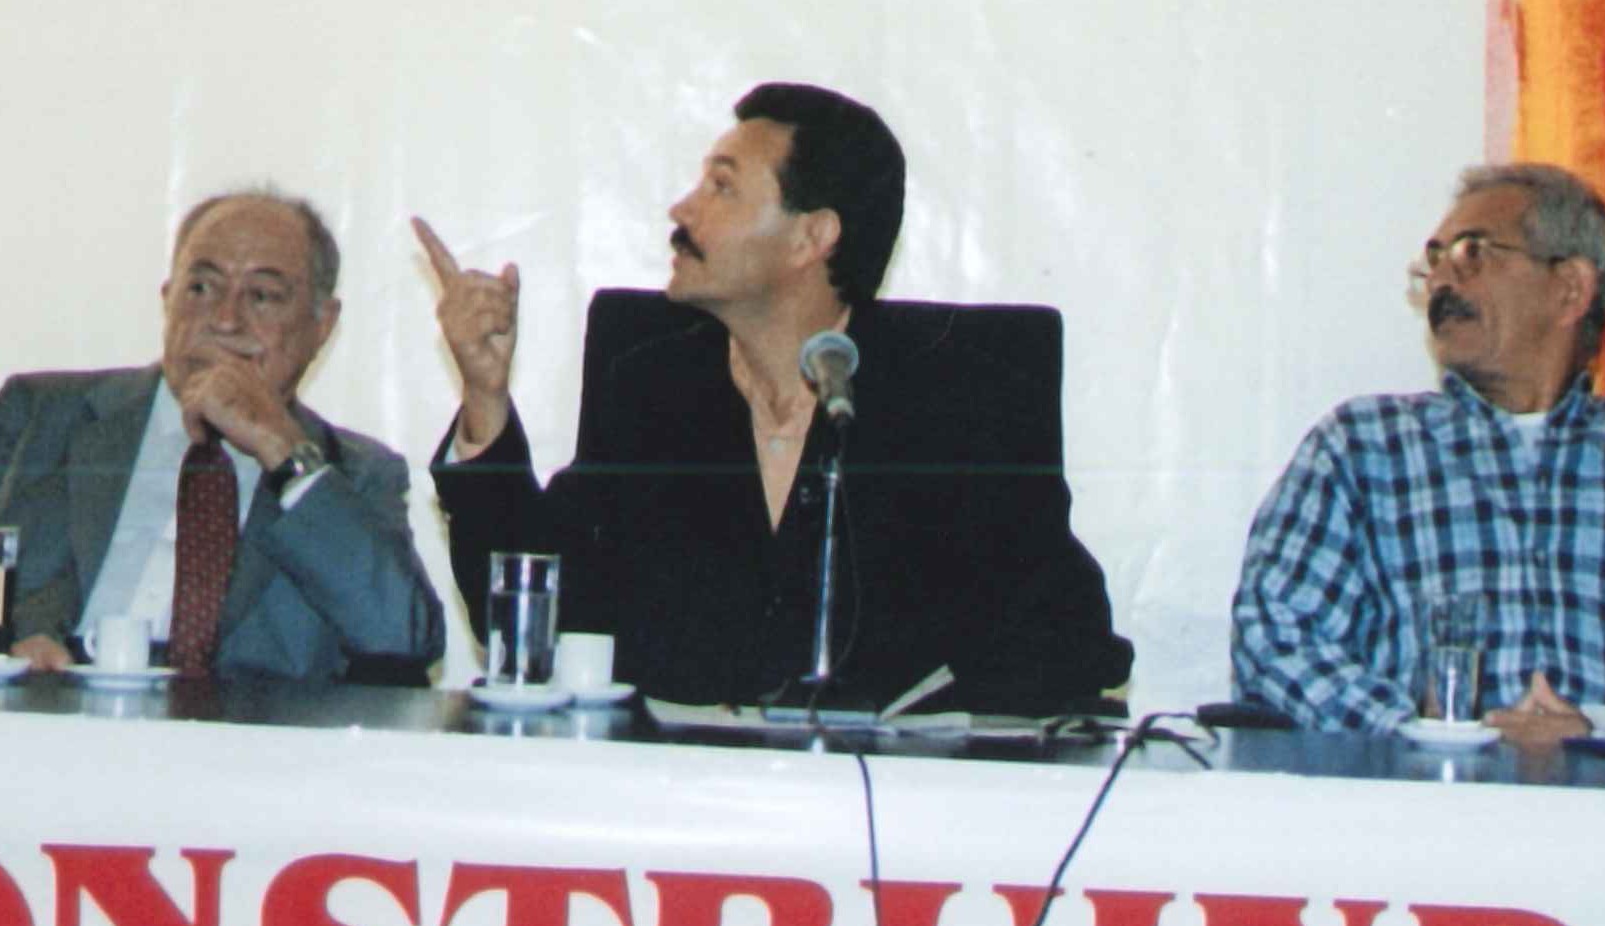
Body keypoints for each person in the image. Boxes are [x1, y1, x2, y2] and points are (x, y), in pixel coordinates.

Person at [417, 83, 1125, 711]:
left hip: (887, 799)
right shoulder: (651, 385)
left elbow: (1070, 641)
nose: (681, 209)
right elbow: (530, 613)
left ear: (811, 237)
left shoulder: (957, 403)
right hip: (676, 794)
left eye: (721, 188)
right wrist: (485, 396)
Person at [1226, 163, 1605, 749]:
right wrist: (1423, 729)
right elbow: (1274, 634)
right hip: (1417, 794)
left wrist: (1604, 736)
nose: (1442, 280)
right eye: (1434, 260)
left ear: (1570, 288)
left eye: (1472, 253)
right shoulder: (1363, 446)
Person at [0, 190, 438, 679]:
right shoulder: (44, 416)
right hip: (43, 740)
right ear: (167, 299)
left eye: (262, 296)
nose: (225, 319)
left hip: (245, 774)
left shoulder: (353, 475)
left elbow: (402, 640)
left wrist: (282, 451)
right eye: (201, 288)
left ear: (321, 325)